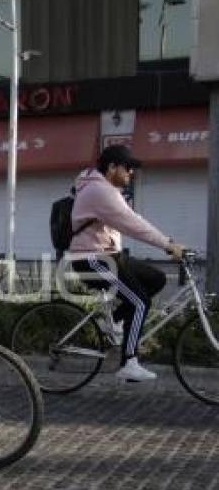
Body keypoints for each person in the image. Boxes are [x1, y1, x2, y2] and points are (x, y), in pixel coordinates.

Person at [69, 144, 186, 382]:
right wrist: (167, 245)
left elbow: (134, 219)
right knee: (140, 302)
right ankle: (129, 363)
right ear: (112, 167)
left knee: (156, 279)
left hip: (108, 256)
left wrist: (170, 241)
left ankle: (114, 322)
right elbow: (133, 224)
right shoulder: (101, 192)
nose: (131, 173)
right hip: (91, 260)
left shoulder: (104, 189)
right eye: (128, 168)